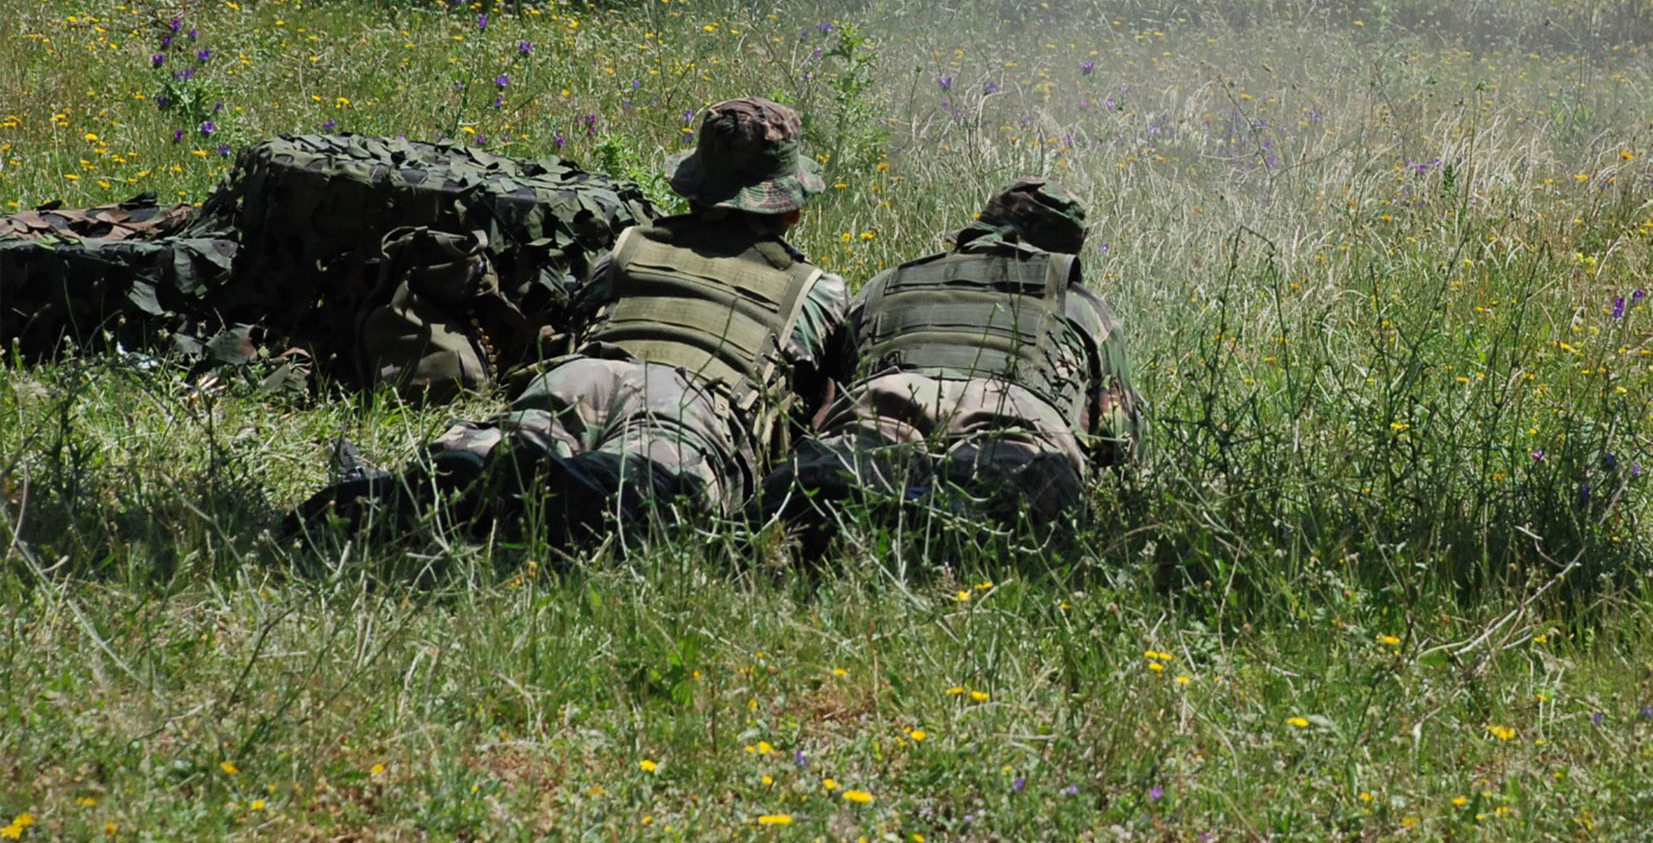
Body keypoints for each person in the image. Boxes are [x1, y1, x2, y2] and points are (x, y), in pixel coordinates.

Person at [290, 98, 848, 550]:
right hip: (692, 399)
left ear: (693, 186)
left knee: (510, 440)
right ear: (790, 207)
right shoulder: (814, 289)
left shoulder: (629, 246)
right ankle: (577, 491)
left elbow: (585, 312)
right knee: (650, 491)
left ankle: (437, 479)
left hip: (584, 374)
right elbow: (820, 400)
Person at [759, 178, 1141, 543]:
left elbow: (823, 406)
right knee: (1007, 516)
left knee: (802, 503)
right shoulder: (1081, 306)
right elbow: (1117, 440)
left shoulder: (885, 284)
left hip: (880, 414)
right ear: (1063, 250)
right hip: (1014, 437)